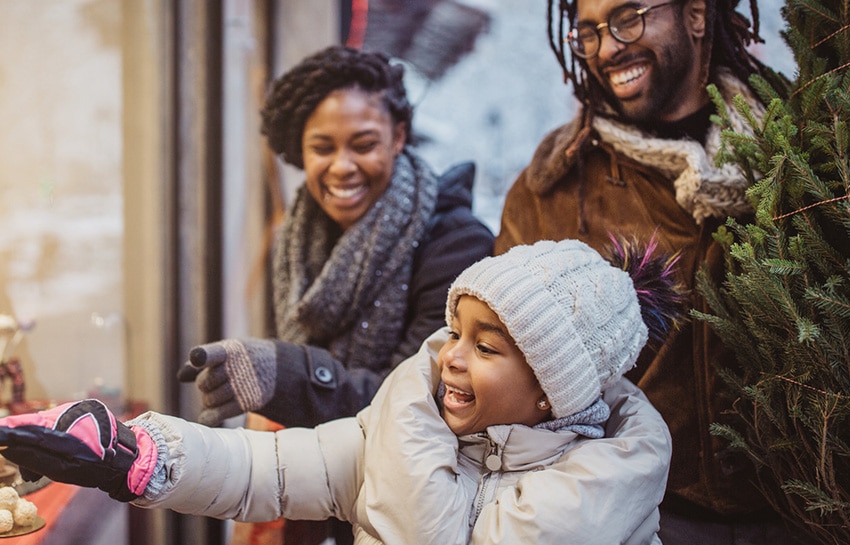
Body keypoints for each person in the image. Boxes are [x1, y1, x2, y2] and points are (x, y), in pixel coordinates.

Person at [0, 237, 686, 544]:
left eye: (486, 347)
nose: (448, 358)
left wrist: (409, 421)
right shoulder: (407, 419)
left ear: (551, 393)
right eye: (455, 332)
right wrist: (136, 454)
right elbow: (267, 469)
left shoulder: (596, 496)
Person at [496, 1, 800, 543]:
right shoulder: (553, 192)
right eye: (589, 32)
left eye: (629, 16)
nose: (608, 47)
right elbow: (501, 370)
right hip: (641, 519)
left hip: (802, 514)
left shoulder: (799, 158)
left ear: (697, 16)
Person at [175, 45, 494, 544]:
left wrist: (285, 375)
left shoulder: (457, 246)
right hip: (317, 502)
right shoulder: (298, 242)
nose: (342, 167)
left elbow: (425, 400)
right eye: (323, 148)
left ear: (399, 138)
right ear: (298, 152)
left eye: (363, 144)